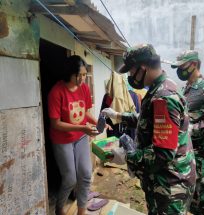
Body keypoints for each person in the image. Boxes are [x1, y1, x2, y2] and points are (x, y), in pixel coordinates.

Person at [102, 44, 196, 215]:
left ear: (142, 68)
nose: (130, 76)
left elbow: (163, 154)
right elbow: (147, 121)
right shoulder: (160, 87)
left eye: (131, 71)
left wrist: (127, 157)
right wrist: (118, 115)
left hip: (170, 186)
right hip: (163, 181)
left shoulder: (163, 97)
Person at [48, 55, 98, 215]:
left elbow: (85, 113)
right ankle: (59, 208)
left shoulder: (84, 88)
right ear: (69, 73)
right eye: (80, 75)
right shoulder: (56, 92)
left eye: (85, 74)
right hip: (62, 140)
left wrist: (98, 122)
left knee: (85, 174)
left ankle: (81, 211)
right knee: (70, 178)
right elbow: (56, 124)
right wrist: (83, 128)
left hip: (80, 138)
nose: (83, 78)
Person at [171, 50, 204, 215]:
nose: (179, 70)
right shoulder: (184, 91)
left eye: (182, 66)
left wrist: (195, 127)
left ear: (194, 64)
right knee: (192, 200)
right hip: (189, 156)